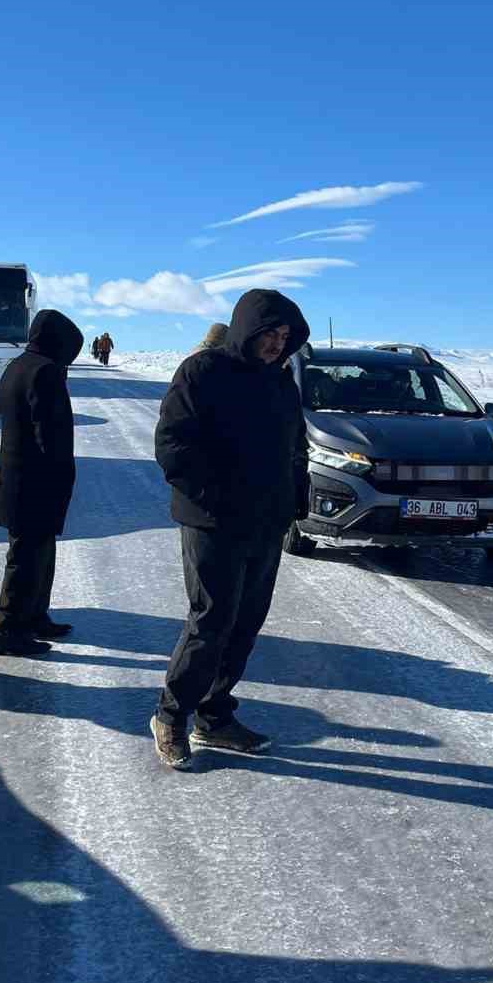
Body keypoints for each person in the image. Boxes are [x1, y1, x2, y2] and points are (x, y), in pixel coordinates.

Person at [150, 289, 310, 769]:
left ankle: (215, 715)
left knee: (245, 623)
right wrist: (211, 497)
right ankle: (171, 716)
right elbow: (173, 445)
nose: (277, 345)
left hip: (266, 522)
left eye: (284, 337)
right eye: (269, 335)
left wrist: (294, 499)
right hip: (214, 521)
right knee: (211, 621)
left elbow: (295, 447)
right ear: (248, 330)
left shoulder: (281, 384)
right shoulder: (202, 373)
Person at [0, 309, 84, 657]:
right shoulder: (45, 372)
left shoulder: (18, 365)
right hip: (36, 482)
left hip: (18, 480)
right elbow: (51, 434)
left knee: (40, 552)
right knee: (26, 557)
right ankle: (7, 630)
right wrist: (60, 475)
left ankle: (34, 616)